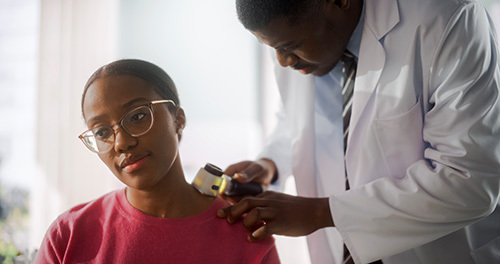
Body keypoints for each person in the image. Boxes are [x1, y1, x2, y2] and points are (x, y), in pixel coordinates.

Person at [217, 0, 500, 263]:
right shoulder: (300, 42)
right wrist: (271, 164)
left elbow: (470, 180)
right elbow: (294, 120)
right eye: (273, 47)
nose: (283, 61)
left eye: (290, 46)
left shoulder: (448, 20)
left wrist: (322, 212)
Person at [35, 59, 280, 263]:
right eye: (101, 132)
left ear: (178, 119)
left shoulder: (248, 235)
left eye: (138, 116)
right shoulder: (68, 235)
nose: (121, 143)